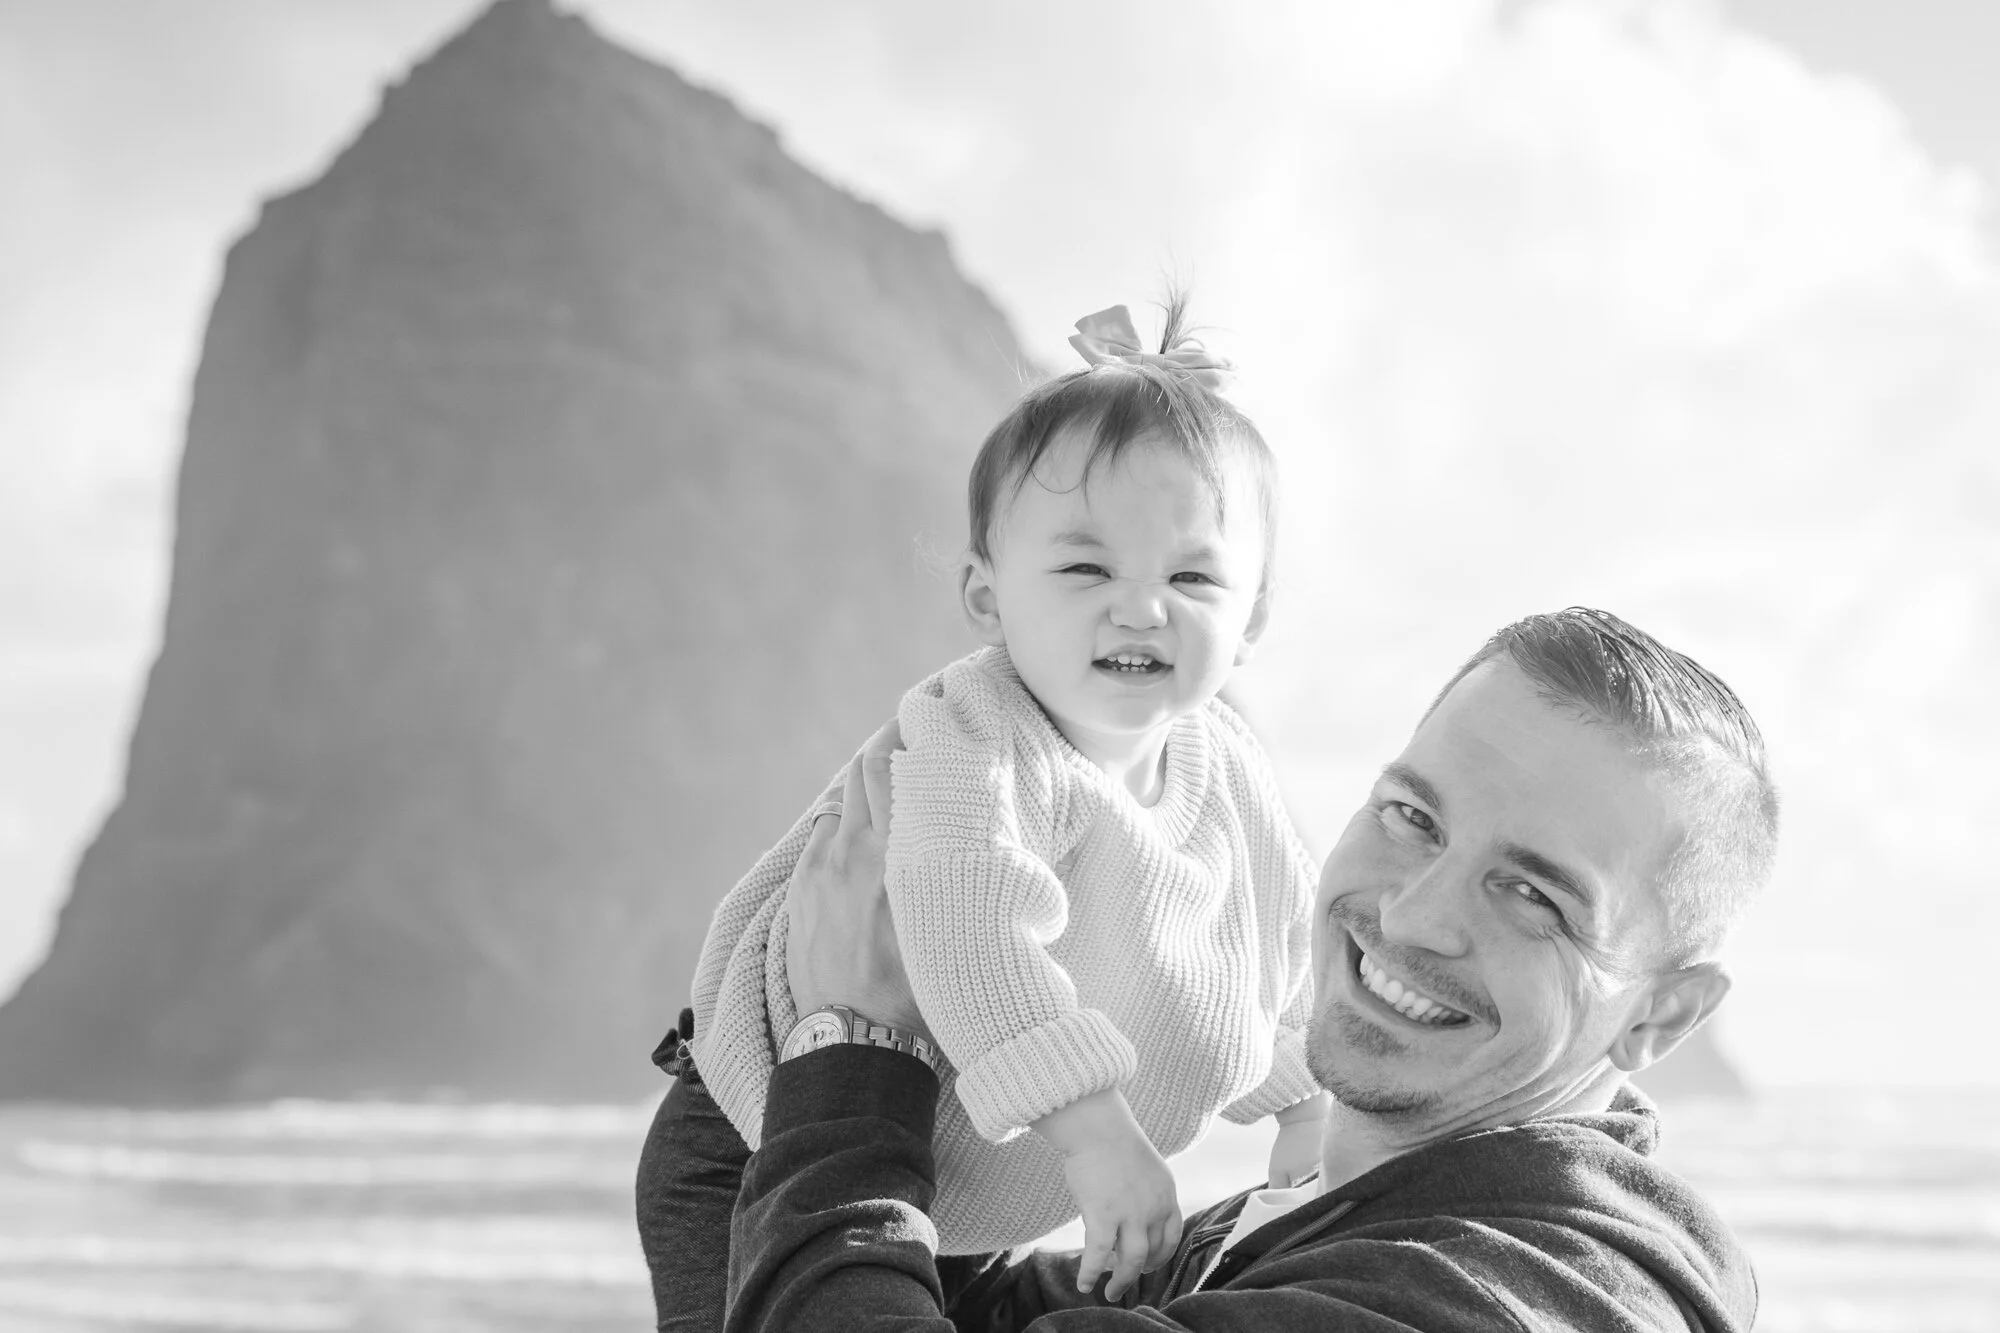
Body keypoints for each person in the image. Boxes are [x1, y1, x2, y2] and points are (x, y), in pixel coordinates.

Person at [717, 608, 1775, 1331]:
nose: (1410, 917)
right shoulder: (1317, 1214)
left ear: (1661, 1014)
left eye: (1534, 895)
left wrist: (853, 1049)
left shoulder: (1488, 1297)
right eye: (1411, 818)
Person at [640, 299, 1326, 1327]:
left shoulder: (1227, 772)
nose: (1139, 607)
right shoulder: (977, 735)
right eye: (1085, 567)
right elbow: (971, 930)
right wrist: (1098, 1135)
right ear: (985, 594)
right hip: (759, 1143)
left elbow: (1267, 953)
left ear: (1253, 618)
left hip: (964, 1171)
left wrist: (1306, 1100)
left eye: (1190, 575)